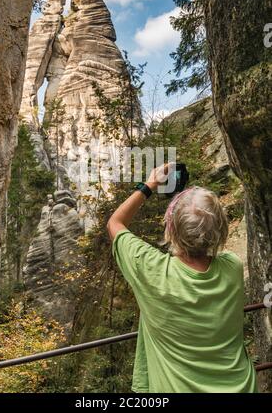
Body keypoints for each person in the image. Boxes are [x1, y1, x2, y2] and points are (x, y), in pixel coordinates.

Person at [107, 163, 258, 393]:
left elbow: (115, 223)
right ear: (221, 229)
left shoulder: (152, 270)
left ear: (172, 230)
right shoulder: (232, 267)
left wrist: (149, 185)